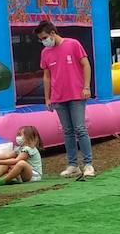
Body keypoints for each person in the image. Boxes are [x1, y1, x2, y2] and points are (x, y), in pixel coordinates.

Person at [37, 19, 95, 178]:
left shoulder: (73, 44)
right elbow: (47, 76)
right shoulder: (45, 53)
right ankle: (72, 165)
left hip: (77, 94)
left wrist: (86, 87)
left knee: (80, 129)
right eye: (41, 39)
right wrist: (47, 98)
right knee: (67, 131)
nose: (43, 42)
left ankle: (88, 164)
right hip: (58, 97)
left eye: (44, 38)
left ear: (53, 33)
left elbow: (86, 64)